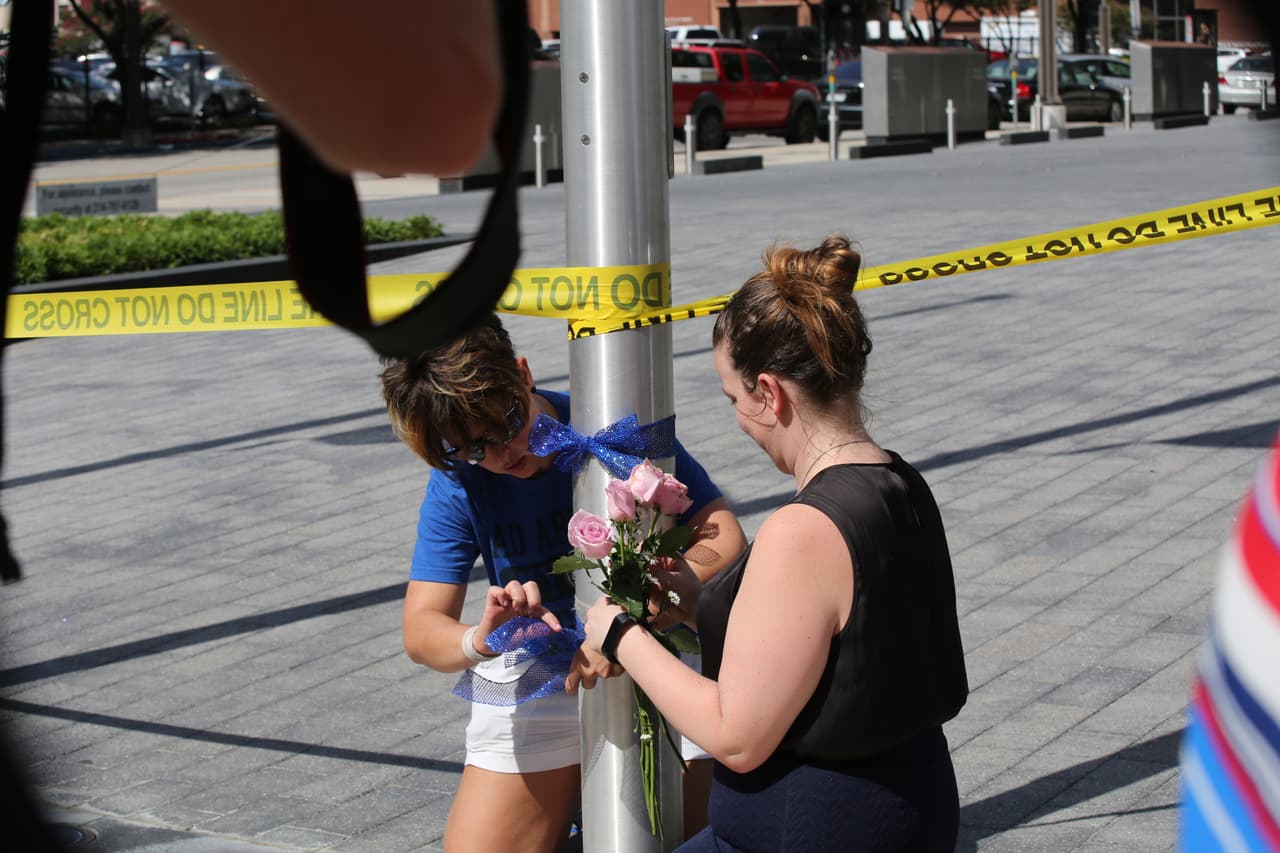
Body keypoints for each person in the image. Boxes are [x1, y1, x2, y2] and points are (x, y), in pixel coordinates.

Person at [579, 236, 969, 851]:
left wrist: (620, 636)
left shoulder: (804, 528)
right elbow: (837, 647)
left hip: (815, 826)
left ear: (770, 392)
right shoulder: (900, 482)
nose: (737, 420)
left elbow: (736, 734)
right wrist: (694, 603)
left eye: (734, 399)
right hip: (905, 806)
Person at [378, 314, 747, 853]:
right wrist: (481, 640)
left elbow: (722, 532)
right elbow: (420, 630)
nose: (500, 456)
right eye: (473, 448)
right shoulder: (459, 477)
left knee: (688, 840)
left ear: (523, 374)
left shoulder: (606, 425)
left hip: (656, 646)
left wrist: (648, 605)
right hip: (542, 669)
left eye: (505, 426)